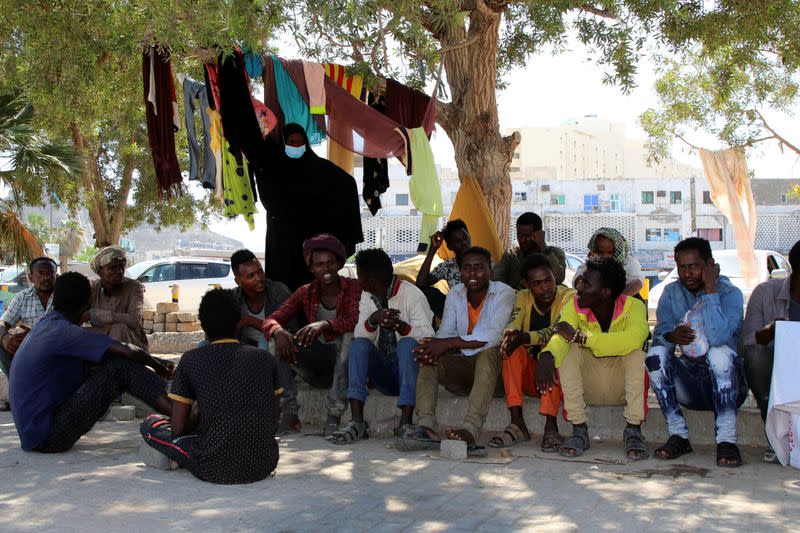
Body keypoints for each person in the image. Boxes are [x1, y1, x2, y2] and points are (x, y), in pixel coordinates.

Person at [8, 272, 173, 452]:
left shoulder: (47, 324)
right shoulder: (64, 331)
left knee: (108, 360)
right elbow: (127, 350)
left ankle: (174, 406)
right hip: (49, 437)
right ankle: (181, 416)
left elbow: (109, 351)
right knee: (121, 367)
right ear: (87, 304)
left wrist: (157, 360)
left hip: (35, 435)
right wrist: (159, 367)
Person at [140, 289, 282, 484]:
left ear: (203, 325)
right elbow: (274, 421)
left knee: (151, 425)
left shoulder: (191, 360)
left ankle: (175, 454)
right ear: (238, 322)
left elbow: (178, 428)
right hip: (263, 464)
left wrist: (197, 414)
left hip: (213, 466)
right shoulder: (264, 359)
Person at [398, 246, 515, 454]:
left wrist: (448, 344)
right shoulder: (455, 294)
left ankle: (470, 430)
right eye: (467, 268)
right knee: (429, 356)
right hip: (463, 371)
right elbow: (445, 332)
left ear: (491, 271)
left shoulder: (504, 293)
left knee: (489, 354)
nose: (472, 273)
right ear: (460, 272)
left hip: (494, 376)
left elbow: (493, 337)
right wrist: (434, 346)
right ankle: (426, 427)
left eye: (479, 268)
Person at [646, 237, 747, 467]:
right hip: (692, 385)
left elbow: (720, 337)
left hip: (729, 386)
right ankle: (678, 435)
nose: (688, 273)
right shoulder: (671, 293)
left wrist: (710, 290)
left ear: (710, 265)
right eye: (682, 267)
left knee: (718, 353)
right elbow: (661, 337)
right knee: (654, 357)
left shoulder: (730, 294)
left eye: (694, 266)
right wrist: (671, 336)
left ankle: (727, 441)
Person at [537, 257, 650, 460]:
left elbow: (633, 339)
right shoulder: (574, 306)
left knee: (636, 352)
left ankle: (633, 430)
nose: (578, 286)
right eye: (581, 281)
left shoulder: (634, 307)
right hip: (588, 386)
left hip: (621, 388)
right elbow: (561, 336)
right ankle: (579, 429)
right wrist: (547, 354)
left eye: (586, 283)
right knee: (566, 348)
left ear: (605, 292)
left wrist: (581, 337)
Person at [330, 249, 433, 444]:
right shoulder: (367, 297)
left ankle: (405, 422)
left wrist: (402, 327)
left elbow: (429, 337)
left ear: (371, 280)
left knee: (407, 344)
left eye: (359, 275)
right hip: (384, 375)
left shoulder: (412, 294)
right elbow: (362, 333)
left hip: (411, 375)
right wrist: (373, 320)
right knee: (358, 345)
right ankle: (357, 422)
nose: (357, 280)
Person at [262, 233, 361, 437]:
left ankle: (333, 416)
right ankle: (289, 413)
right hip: (316, 366)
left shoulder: (353, 287)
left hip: (345, 366)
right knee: (276, 340)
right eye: (319, 264)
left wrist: (326, 324)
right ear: (311, 267)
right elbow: (270, 320)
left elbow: (356, 321)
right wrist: (278, 330)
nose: (326, 269)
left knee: (350, 337)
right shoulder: (305, 292)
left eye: (331, 263)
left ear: (340, 263)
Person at [254, 123, 363, 291]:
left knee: (314, 293)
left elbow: (346, 182)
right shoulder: (275, 172)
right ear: (284, 143)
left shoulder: (320, 169)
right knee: (284, 295)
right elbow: (267, 192)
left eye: (300, 142)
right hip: (283, 248)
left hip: (312, 250)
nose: (296, 146)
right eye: (291, 142)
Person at [490, 254, 575, 451]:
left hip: (560, 378)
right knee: (512, 349)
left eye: (548, 280)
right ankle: (517, 422)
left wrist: (526, 337)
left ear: (555, 276)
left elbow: (559, 330)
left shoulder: (568, 297)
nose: (545, 288)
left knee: (552, 348)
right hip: (531, 378)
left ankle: (551, 426)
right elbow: (514, 321)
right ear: (527, 284)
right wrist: (511, 335)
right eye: (537, 283)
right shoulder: (522, 297)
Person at [740, 239, 800, 462]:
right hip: (779, 375)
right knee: (755, 355)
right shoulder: (765, 293)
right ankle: (778, 439)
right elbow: (747, 342)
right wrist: (771, 330)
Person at [0, 257, 57, 386]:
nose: (45, 278)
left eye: (49, 274)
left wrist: (34, 335)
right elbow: (4, 322)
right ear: (31, 278)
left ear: (56, 276)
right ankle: (17, 387)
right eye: (40, 274)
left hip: (55, 344)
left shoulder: (63, 296)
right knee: (3, 341)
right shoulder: (22, 297)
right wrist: (4, 338)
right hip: (28, 347)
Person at [86, 246, 148, 349]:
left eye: (121, 267)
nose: (119, 271)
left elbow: (134, 321)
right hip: (104, 342)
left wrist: (106, 315)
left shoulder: (134, 287)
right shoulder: (92, 289)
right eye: (112, 268)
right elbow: (78, 317)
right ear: (99, 271)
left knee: (118, 330)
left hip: (132, 345)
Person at [230, 249, 291, 349]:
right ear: (238, 281)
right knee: (204, 344)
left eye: (260, 271)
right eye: (251, 276)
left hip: (272, 349)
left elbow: (287, 331)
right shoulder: (233, 298)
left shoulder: (278, 291)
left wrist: (251, 321)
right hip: (243, 349)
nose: (259, 278)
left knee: (264, 342)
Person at [415, 219, 471, 318]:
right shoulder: (448, 266)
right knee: (428, 293)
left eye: (465, 238)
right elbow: (420, 284)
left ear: (470, 237)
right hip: (455, 314)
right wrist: (433, 249)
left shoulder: (483, 261)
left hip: (480, 312)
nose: (464, 243)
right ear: (450, 246)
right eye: (457, 241)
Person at [494, 212, 567, 288]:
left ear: (538, 234)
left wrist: (543, 246)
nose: (522, 240)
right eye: (519, 235)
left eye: (527, 236)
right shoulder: (511, 255)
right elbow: (495, 280)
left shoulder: (555, 253)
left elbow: (559, 278)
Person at [573, 227, 644, 296]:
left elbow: (637, 282)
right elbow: (577, 284)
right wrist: (590, 266)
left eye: (609, 252)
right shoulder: (590, 264)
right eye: (600, 252)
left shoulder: (629, 262)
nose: (605, 256)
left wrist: (617, 301)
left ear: (617, 251)